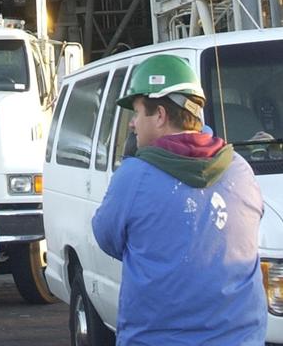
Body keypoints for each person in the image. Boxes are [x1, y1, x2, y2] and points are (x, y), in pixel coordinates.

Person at [92, 53, 266, 346]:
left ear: (159, 115)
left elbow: (107, 239)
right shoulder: (239, 169)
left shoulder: (134, 176)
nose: (133, 124)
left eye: (136, 113)